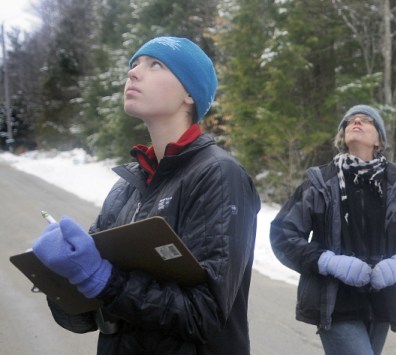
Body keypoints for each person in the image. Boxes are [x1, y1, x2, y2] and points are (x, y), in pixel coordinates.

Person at [31, 36, 260, 354]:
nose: (134, 73)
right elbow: (85, 318)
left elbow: (204, 315)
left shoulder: (218, 174)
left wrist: (104, 279)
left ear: (190, 94)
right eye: (134, 64)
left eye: (156, 65)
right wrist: (60, 274)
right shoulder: (129, 183)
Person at [270, 104, 396, 355]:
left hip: (382, 301)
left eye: (366, 120)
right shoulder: (321, 183)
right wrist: (326, 262)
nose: (356, 122)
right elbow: (283, 234)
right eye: (350, 121)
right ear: (342, 136)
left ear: (379, 140)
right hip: (335, 302)